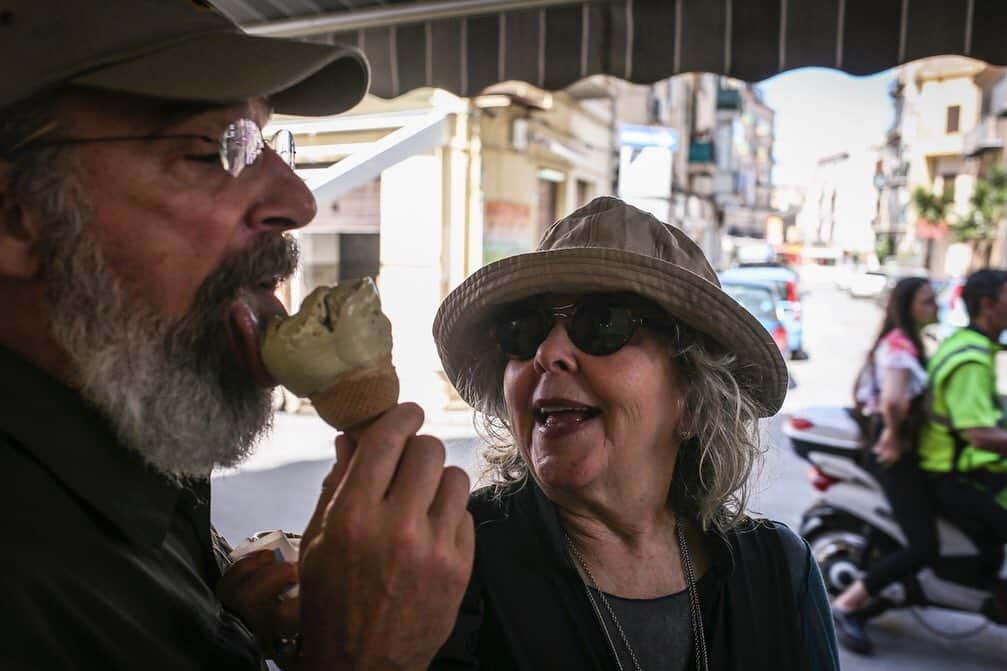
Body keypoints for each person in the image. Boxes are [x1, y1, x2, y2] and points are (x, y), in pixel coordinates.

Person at [0, 2, 473, 670]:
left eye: (265, 144)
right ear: (16, 217)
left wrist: (227, 631)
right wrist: (361, 657)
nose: (300, 201)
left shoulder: (140, 472)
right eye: (211, 149)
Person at [429, 197, 839, 670]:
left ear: (694, 394)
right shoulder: (448, 557)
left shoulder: (779, 572)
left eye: (603, 323)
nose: (548, 351)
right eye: (525, 328)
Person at [831, 277, 940, 654]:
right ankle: (847, 604)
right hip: (891, 452)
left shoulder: (902, 341)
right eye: (927, 301)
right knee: (924, 545)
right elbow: (893, 400)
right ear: (908, 306)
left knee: (896, 531)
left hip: (892, 447)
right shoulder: (898, 345)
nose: (936, 306)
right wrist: (894, 434)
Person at [917, 268, 1007, 622]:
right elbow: (979, 435)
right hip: (957, 476)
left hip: (969, 470)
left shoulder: (971, 344)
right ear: (988, 305)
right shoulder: (971, 358)